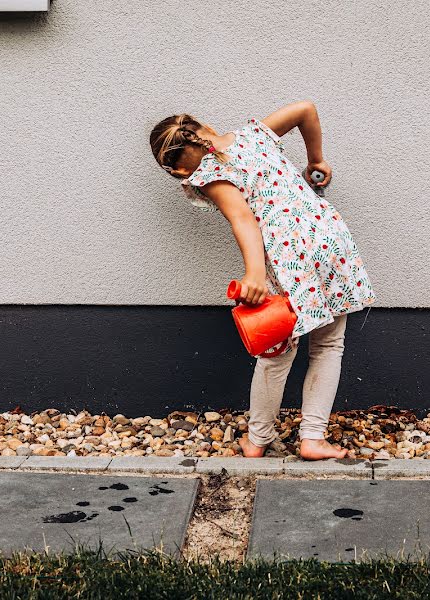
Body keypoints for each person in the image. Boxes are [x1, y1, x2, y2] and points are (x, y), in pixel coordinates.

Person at [149, 101, 377, 460]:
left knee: (277, 350)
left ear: (177, 168)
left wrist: (255, 273)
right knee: (330, 345)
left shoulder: (210, 172)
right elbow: (306, 108)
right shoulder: (255, 136)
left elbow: (243, 219)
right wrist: (316, 159)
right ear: (203, 126)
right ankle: (313, 438)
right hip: (329, 236)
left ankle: (257, 440)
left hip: (289, 253)